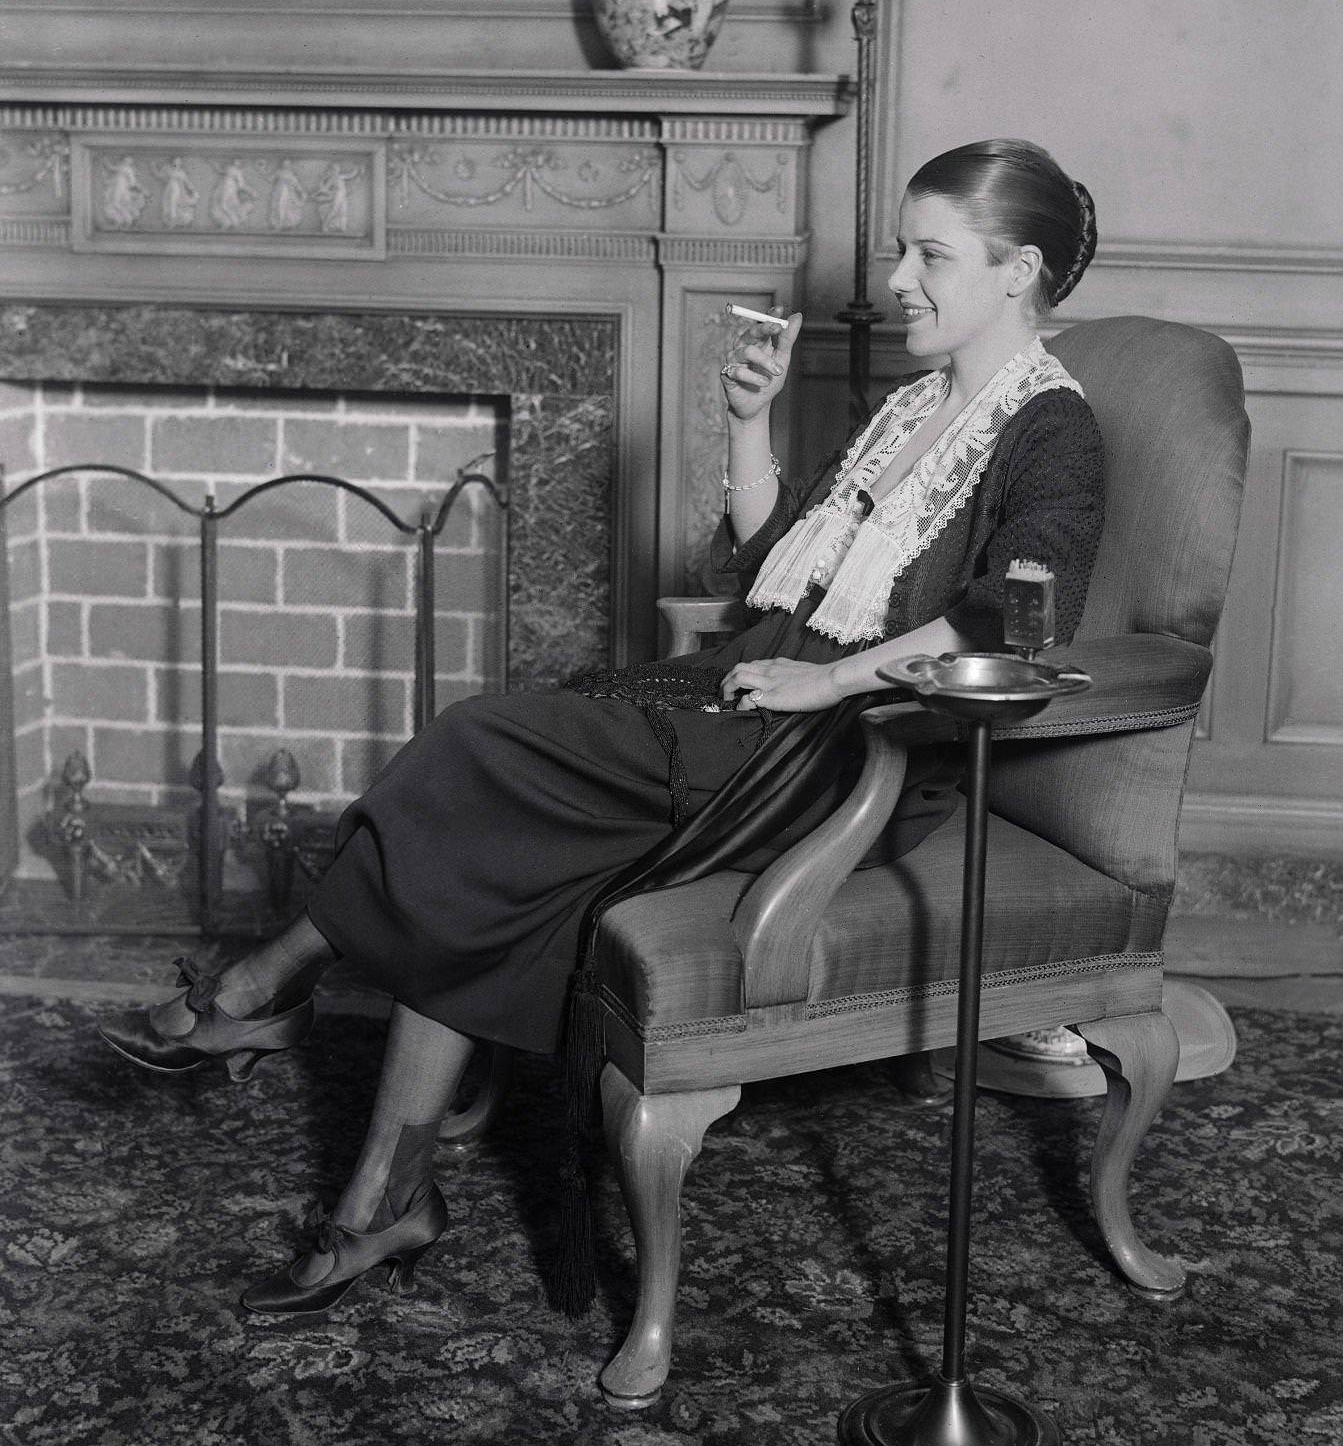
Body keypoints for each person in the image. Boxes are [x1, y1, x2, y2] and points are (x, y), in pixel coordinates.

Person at [99, 137, 1105, 1317]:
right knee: (487, 824)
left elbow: (1015, 623)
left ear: (1016, 269)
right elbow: (778, 563)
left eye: (928, 253)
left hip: (853, 750)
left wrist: (829, 689)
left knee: (478, 744)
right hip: (755, 690)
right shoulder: (910, 408)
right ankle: (382, 1192)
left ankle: (269, 980)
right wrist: (749, 422)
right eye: (900, 247)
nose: (896, 277)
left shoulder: (1049, 429)